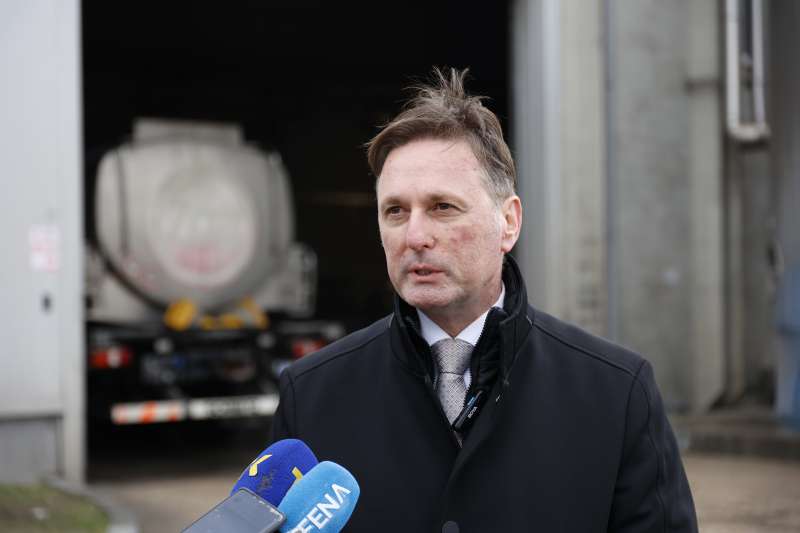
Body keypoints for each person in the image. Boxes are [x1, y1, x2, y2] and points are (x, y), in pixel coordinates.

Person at [270, 68, 698, 532]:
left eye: (442, 207)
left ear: (508, 222)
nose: (415, 236)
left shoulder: (617, 392)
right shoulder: (310, 397)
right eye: (395, 211)